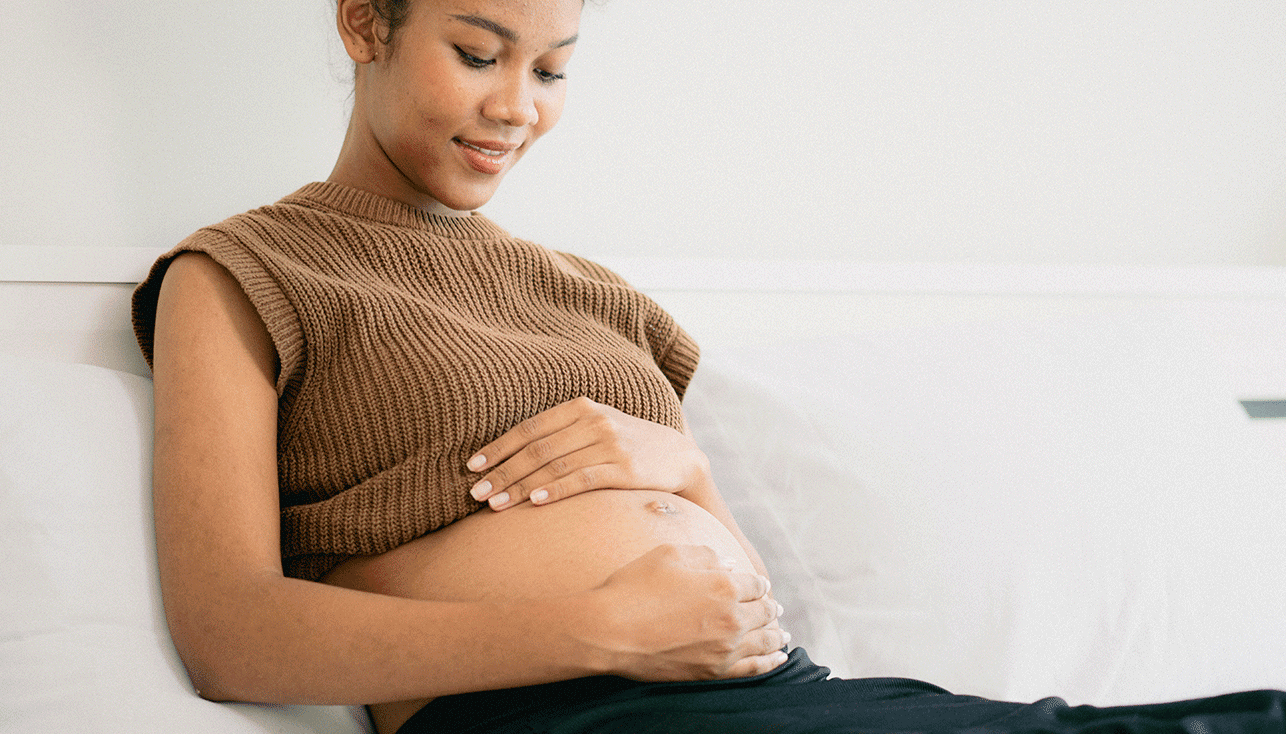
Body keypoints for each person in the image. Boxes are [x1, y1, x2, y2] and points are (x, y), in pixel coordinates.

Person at [131, 1, 1286, 732]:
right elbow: (232, 632)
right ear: (362, 24)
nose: (515, 107)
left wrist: (679, 468)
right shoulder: (246, 272)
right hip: (549, 710)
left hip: (766, 693)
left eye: (552, 69)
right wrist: (603, 630)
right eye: (478, 53)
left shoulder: (591, 292)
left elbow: (742, 594)